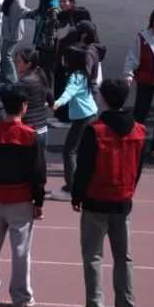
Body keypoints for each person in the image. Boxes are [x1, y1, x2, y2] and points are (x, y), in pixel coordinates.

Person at [71, 78, 145, 307]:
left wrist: (76, 196)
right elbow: (138, 168)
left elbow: (84, 168)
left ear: (103, 99)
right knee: (123, 256)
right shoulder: (139, 130)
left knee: (93, 256)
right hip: (123, 199)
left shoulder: (95, 130)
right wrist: (129, 190)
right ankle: (127, 306)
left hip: (96, 200)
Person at [0, 83, 46, 307]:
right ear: (24, 106)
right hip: (21, 200)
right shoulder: (31, 137)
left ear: (4, 106)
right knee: (21, 251)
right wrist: (39, 201)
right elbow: (38, 174)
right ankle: (21, 297)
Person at [50, 46, 99, 202]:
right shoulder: (83, 74)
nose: (62, 61)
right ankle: (79, 182)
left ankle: (72, 186)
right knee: (81, 150)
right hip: (90, 114)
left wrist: (58, 103)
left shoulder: (75, 77)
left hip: (83, 118)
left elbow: (69, 92)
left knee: (69, 151)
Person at [123, 7, 154, 159]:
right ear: (152, 20)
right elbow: (132, 57)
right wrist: (128, 75)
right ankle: (135, 141)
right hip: (145, 81)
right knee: (140, 112)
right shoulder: (142, 37)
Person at [15, 49, 54, 161]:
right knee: (40, 165)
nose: (16, 64)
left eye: (18, 62)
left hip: (29, 132)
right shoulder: (40, 75)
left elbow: (10, 98)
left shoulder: (23, 83)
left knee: (25, 166)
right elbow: (49, 95)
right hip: (43, 130)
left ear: (28, 64)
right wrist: (52, 104)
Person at [26, 0, 61, 89]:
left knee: (47, 70)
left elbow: (56, 23)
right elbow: (33, 14)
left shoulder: (53, 8)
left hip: (49, 44)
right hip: (43, 42)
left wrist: (46, 19)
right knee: (42, 69)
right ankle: (44, 90)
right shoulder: (46, 6)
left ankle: (47, 92)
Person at [0, 0, 30, 84]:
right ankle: (3, 73)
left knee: (6, 55)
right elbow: (5, 7)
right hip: (9, 31)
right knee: (4, 54)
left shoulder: (16, 0)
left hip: (13, 32)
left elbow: (23, 11)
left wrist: (32, 13)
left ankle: (13, 78)